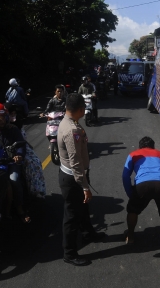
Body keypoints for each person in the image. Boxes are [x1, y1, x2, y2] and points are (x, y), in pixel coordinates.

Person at [58, 93, 105, 266]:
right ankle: (69, 253)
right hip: (73, 178)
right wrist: (85, 186)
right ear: (80, 109)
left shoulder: (68, 121)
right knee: (71, 216)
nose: (86, 110)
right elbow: (75, 162)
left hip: (74, 175)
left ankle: (88, 233)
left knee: (84, 208)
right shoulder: (72, 130)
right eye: (84, 107)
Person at [122, 136, 160, 253]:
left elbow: (125, 176)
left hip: (142, 185)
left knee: (133, 210)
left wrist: (131, 193)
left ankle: (130, 237)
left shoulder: (133, 154)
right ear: (153, 146)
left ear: (140, 146)